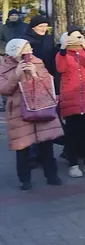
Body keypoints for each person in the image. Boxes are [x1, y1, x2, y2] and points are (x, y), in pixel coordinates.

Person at [0, 38, 63, 190]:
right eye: (26, 49)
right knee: (22, 147)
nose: (30, 51)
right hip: (18, 112)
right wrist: (16, 75)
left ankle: (52, 175)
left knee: (46, 145)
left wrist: (35, 74)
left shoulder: (37, 62)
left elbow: (49, 82)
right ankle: (25, 180)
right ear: (16, 51)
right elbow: (4, 89)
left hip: (41, 107)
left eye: (30, 48)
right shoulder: (4, 66)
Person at [55, 30, 85, 177]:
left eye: (78, 37)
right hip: (71, 97)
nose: (76, 40)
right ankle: (73, 164)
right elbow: (60, 68)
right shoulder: (62, 54)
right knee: (72, 134)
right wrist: (63, 49)